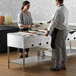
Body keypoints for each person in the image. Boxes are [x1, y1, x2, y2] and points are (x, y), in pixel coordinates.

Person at [45, 0, 69, 71]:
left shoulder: (58, 10)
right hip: (65, 30)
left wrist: (48, 30)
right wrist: (52, 20)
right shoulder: (65, 9)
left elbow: (54, 23)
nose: (55, 2)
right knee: (63, 47)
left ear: (57, 1)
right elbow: (60, 19)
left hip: (59, 31)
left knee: (57, 49)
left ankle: (57, 66)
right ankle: (63, 65)